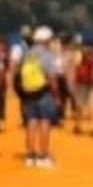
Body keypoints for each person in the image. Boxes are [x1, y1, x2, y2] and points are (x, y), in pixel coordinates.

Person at [15, 26, 60, 168]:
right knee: (45, 122)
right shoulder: (48, 55)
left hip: (28, 92)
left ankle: (30, 155)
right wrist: (56, 94)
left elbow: (18, 72)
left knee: (31, 122)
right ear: (46, 40)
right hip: (43, 92)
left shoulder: (26, 54)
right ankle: (43, 156)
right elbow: (52, 77)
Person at [72, 35, 93, 137]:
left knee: (80, 104)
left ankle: (78, 125)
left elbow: (76, 65)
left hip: (81, 82)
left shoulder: (79, 53)